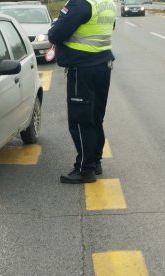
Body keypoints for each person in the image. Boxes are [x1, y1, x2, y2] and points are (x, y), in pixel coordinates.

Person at [48, 0, 116, 184]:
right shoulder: (108, 3)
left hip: (83, 70)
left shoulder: (81, 4)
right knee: (95, 118)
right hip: (103, 66)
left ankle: (85, 169)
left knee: (80, 120)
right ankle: (95, 162)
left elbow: (55, 34)